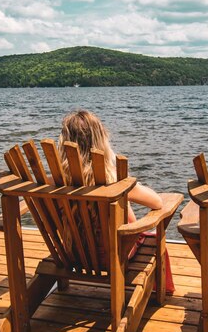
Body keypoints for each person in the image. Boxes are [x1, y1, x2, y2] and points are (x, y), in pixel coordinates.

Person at [58, 109, 175, 295]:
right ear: (101, 139)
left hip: (73, 253)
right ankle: (159, 293)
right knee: (149, 236)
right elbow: (157, 202)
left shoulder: (57, 181)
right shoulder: (114, 180)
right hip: (112, 256)